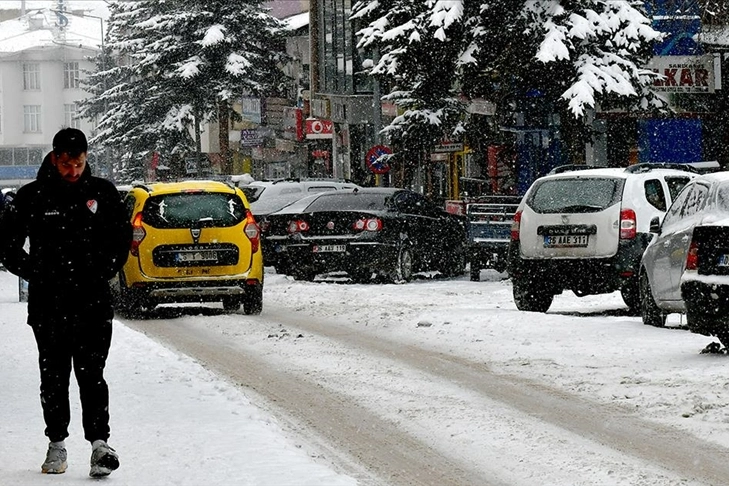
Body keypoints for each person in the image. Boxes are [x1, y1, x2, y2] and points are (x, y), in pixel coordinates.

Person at [0, 128, 132, 477]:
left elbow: (121, 240)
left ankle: (99, 445)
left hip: (92, 303)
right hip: (49, 305)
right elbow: (7, 246)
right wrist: (37, 272)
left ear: (87, 158)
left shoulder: (102, 193)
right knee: (54, 376)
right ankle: (56, 443)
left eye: (79, 163)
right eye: (66, 164)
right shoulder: (31, 197)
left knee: (93, 375)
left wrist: (101, 269)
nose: (73, 171)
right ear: (54, 157)